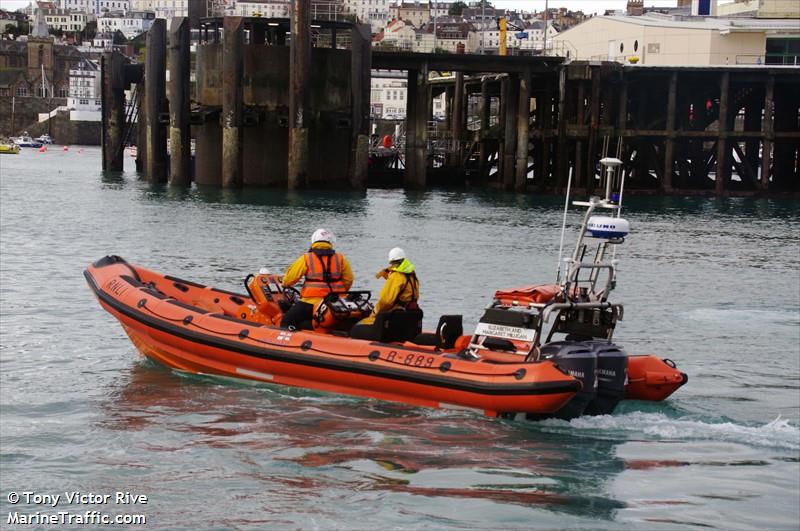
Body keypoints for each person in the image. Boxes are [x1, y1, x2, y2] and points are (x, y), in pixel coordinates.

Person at [281, 228, 354, 330]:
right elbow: (349, 279)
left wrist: (284, 283)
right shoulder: (341, 258)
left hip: (310, 302)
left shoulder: (306, 258)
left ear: (313, 242)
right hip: (336, 302)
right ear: (330, 242)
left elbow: (289, 280)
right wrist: (340, 293)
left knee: (286, 321)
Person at [350, 247, 420, 338]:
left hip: (393, 317)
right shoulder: (412, 275)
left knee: (357, 327)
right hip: (407, 316)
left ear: (391, 262)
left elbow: (385, 301)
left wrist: (375, 312)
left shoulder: (396, 277)